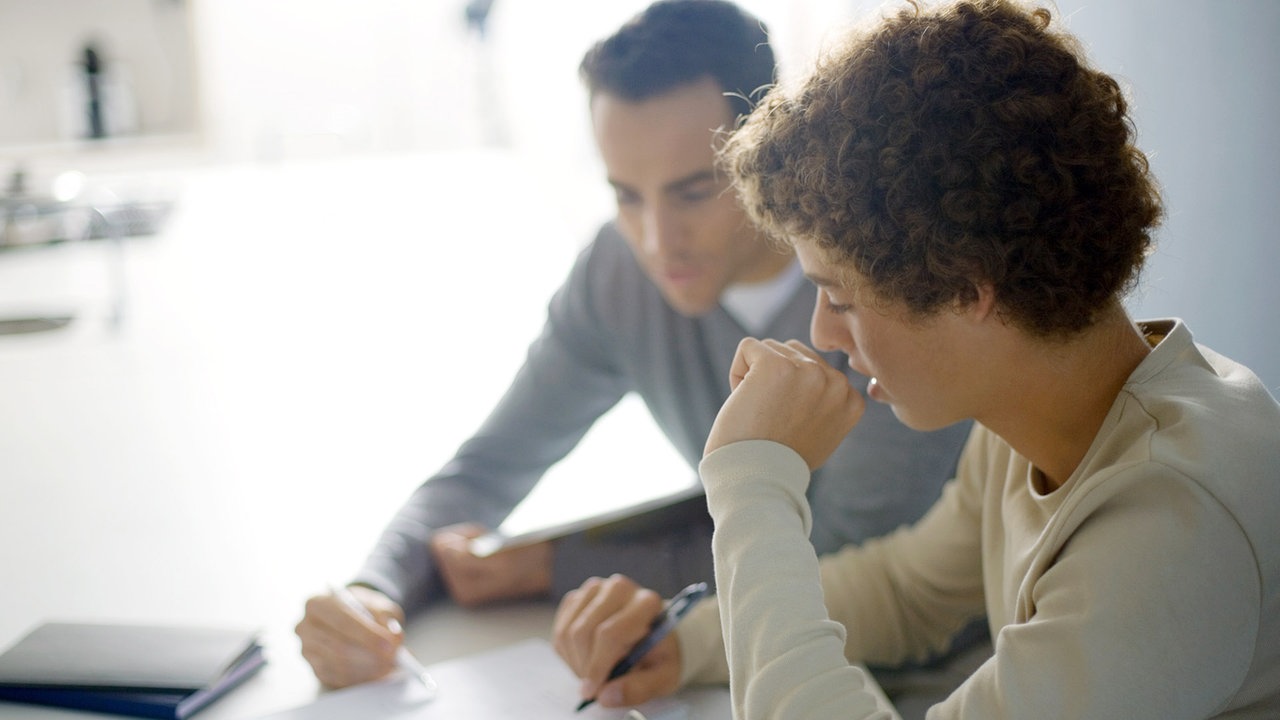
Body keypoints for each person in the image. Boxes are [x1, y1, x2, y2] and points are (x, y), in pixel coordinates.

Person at [551, 0, 1280, 717]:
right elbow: (908, 591)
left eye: (838, 296)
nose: (823, 335)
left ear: (968, 288)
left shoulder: (1169, 530)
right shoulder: (1036, 413)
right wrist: (688, 643)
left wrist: (752, 486)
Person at [294, 0, 973, 689]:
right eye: (626, 196)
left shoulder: (872, 299)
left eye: (692, 192)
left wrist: (550, 566)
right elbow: (487, 467)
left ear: (768, 149)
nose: (656, 242)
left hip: (926, 666)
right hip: (732, 644)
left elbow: (829, 559)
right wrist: (372, 591)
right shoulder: (619, 271)